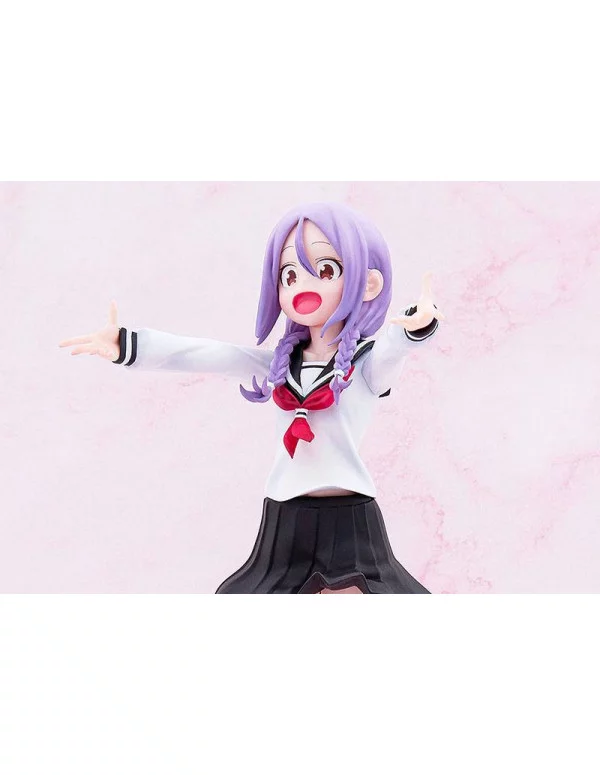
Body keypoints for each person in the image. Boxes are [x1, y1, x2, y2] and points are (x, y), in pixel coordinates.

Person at [59, 202, 445, 593]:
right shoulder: (277, 365)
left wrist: (416, 323)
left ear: (369, 284)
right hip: (286, 519)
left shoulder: (364, 366)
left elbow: (394, 348)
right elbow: (209, 354)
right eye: (289, 274)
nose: (302, 285)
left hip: (351, 522)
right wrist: (128, 345)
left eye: (326, 270)